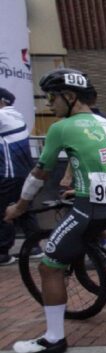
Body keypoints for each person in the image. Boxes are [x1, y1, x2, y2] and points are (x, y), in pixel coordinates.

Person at [5, 68, 106, 353]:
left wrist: (20, 206)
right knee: (104, 238)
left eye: (52, 98)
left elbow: (40, 173)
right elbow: (103, 162)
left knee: (49, 266)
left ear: (70, 97)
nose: (49, 104)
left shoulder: (61, 128)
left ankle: (53, 338)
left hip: (89, 208)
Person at [0, 87, 41, 265]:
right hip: (25, 173)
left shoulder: (3, 116)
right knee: (24, 210)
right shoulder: (16, 115)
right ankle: (34, 247)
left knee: (3, 211)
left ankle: (2, 252)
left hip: (9, 173)